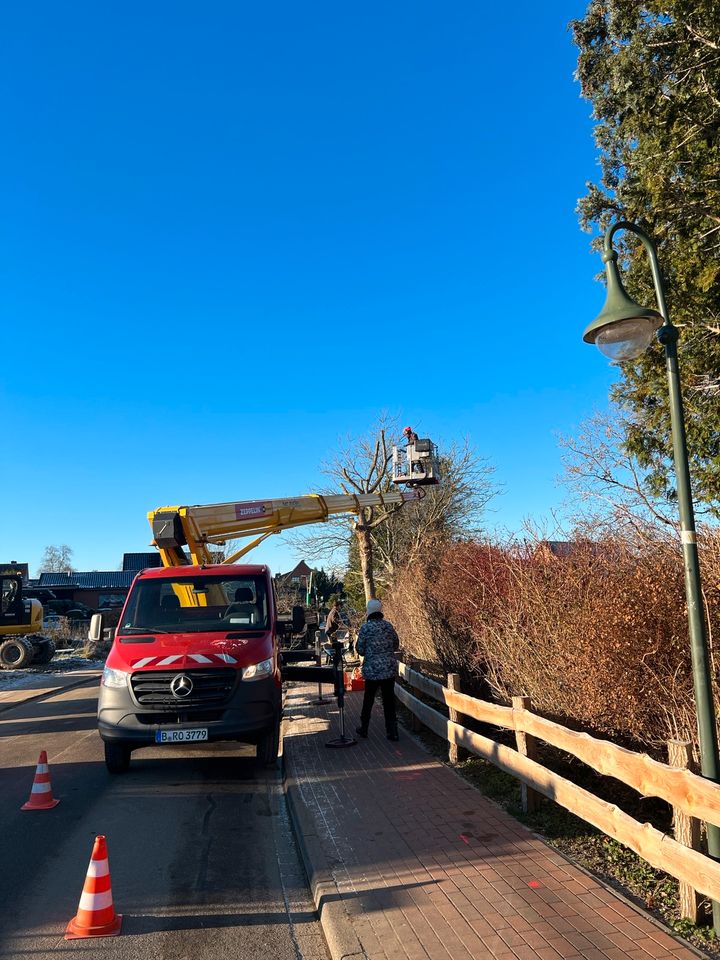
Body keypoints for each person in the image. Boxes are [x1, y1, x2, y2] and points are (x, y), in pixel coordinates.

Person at [355, 598, 400, 741]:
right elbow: (396, 644)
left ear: (369, 612)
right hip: (388, 669)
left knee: (368, 699)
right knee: (389, 700)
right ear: (380, 611)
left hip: (372, 671)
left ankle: (364, 728)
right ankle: (392, 732)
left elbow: (360, 650)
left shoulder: (365, 628)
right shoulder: (388, 626)